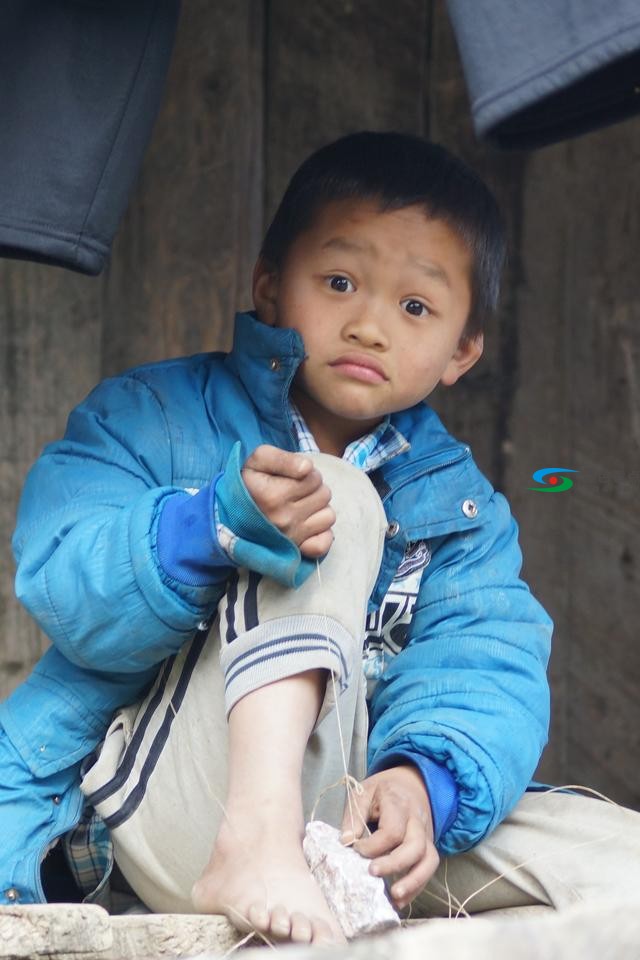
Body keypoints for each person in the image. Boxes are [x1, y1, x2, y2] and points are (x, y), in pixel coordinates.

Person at [2, 131, 638, 946]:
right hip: (159, 815)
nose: (370, 325)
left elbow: (487, 659)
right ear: (270, 285)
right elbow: (63, 580)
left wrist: (421, 784)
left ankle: (331, 929)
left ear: (463, 349)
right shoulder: (151, 416)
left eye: (415, 307)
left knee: (620, 870)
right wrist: (211, 526)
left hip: (343, 831)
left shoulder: (463, 510)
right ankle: (256, 844)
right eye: (339, 282)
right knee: (333, 491)